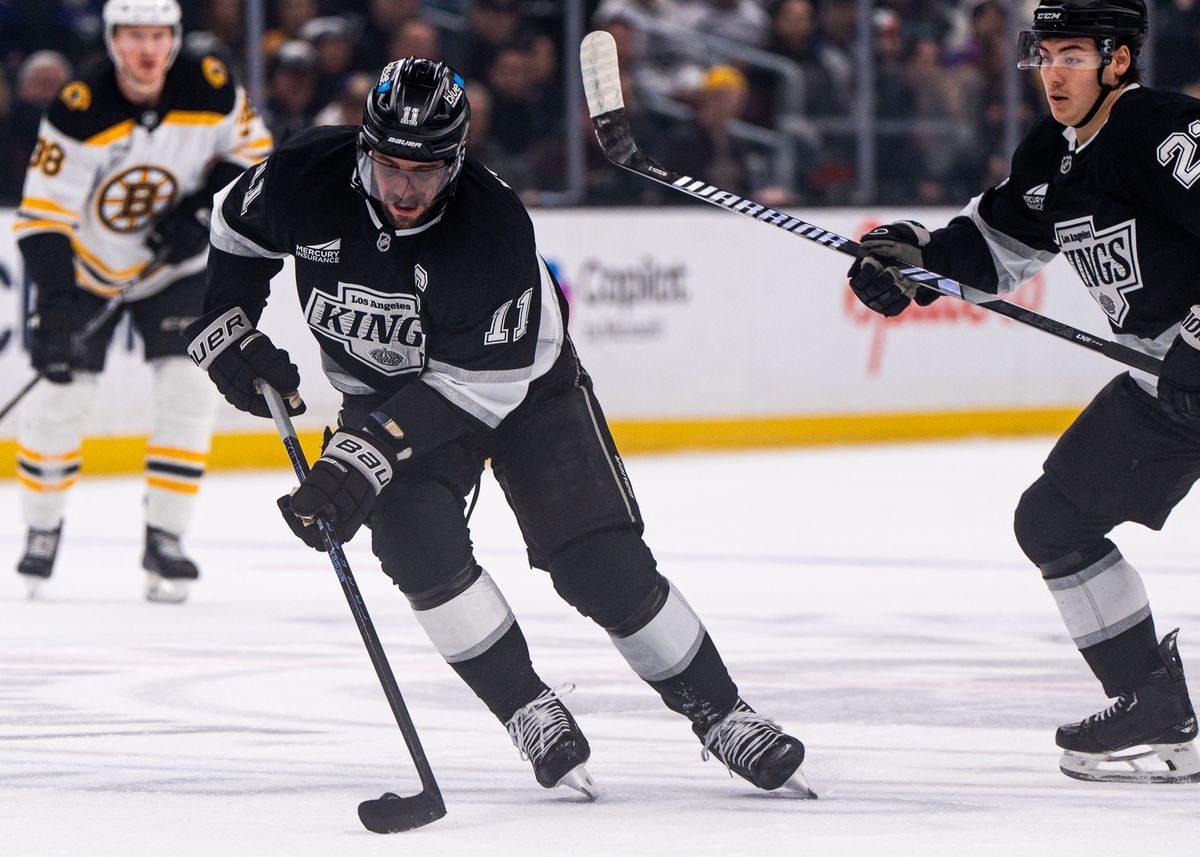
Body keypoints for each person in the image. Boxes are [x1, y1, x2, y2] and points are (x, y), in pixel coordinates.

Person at [184, 57, 814, 798]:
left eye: (425, 172)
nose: (405, 191)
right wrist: (227, 325)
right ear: (364, 147)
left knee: (599, 565)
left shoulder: (491, 227)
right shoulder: (306, 174)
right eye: (390, 168)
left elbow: (479, 388)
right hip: (385, 392)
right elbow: (235, 224)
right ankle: (527, 708)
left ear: (457, 160)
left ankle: (722, 712)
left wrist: (365, 452)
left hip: (523, 391)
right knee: (417, 550)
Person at [846, 0, 1200, 784]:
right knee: (1054, 520)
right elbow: (997, 243)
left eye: (1073, 56)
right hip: (1171, 387)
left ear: (1118, 61)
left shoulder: (1164, 132)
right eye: (1046, 55)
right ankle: (1152, 703)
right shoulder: (1053, 154)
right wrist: (919, 263)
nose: (1054, 73)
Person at [13, 0, 273, 602]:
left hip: (174, 270)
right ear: (112, 40)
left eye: (158, 35)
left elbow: (256, 157)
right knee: (62, 397)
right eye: (134, 36)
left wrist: (201, 210)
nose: (147, 50)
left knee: (189, 389)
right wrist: (57, 304)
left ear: (175, 38)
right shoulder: (79, 107)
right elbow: (42, 217)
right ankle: (42, 528)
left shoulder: (211, 86)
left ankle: (166, 538)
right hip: (89, 269)